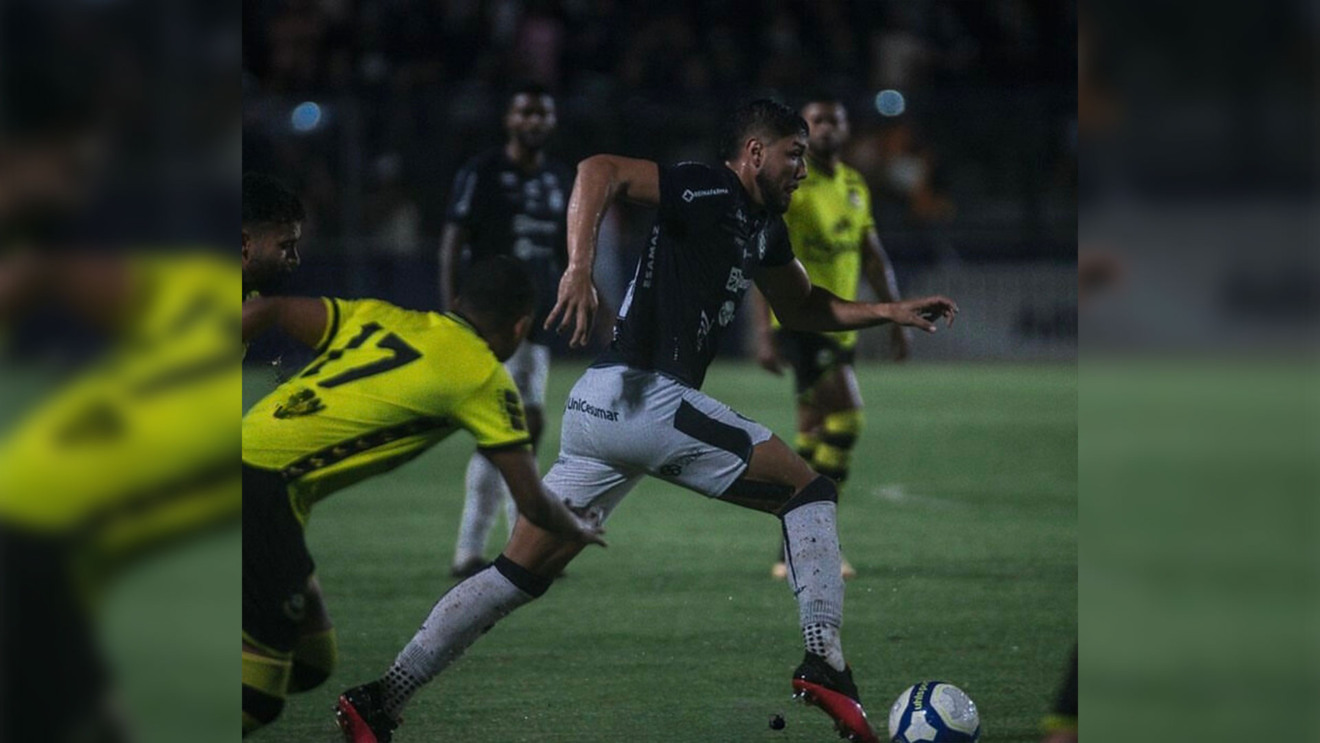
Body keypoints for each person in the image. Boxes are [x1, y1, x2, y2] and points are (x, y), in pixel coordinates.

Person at [335, 99, 957, 743]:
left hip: (599, 407)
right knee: (809, 490)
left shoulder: (765, 227)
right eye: (793, 154)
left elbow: (801, 307)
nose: (802, 168)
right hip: (649, 401)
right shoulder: (707, 186)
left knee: (515, 575)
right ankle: (825, 660)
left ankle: (381, 698)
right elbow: (598, 168)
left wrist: (890, 310)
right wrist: (578, 268)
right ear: (753, 154)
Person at [240, 257, 604, 737]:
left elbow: (272, 308)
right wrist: (576, 527)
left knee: (312, 659)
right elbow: (533, 502)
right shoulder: (482, 376)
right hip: (259, 491)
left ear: (457, 301)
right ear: (520, 328)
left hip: (249, 474)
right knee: (259, 700)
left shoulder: (382, 315)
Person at [749, 96, 908, 581]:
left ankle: (793, 549)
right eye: (818, 121)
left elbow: (873, 256)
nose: (828, 128)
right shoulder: (794, 185)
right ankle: (819, 540)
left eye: (836, 120)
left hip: (841, 323)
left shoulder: (855, 184)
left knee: (812, 438)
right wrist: (762, 332)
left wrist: (896, 315)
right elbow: (765, 258)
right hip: (802, 322)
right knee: (849, 416)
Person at [439, 84, 576, 578]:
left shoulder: (561, 178)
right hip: (490, 319)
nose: (534, 121)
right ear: (509, 119)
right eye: (525, 112)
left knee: (521, 430)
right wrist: (453, 311)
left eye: (543, 113)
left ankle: (493, 548)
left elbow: (567, 248)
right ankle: (490, 548)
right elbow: (453, 240)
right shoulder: (484, 172)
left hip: (533, 321)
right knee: (514, 429)